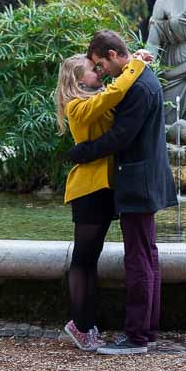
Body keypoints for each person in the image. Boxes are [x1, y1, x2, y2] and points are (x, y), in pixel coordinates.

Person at [67, 30, 178, 355]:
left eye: (101, 64)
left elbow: (120, 137)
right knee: (147, 256)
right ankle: (148, 331)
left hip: (138, 181)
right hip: (142, 179)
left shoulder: (138, 85)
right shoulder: (139, 80)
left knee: (139, 259)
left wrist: (82, 152)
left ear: (114, 55)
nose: (102, 71)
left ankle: (137, 337)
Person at [54, 50, 147, 352]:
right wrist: (136, 65)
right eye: (93, 69)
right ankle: (79, 326)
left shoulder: (92, 100)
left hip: (103, 187)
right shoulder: (77, 106)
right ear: (77, 78)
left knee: (90, 259)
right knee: (83, 259)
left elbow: (115, 96)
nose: (99, 72)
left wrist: (129, 64)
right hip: (88, 189)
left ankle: (85, 323)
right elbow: (114, 93)